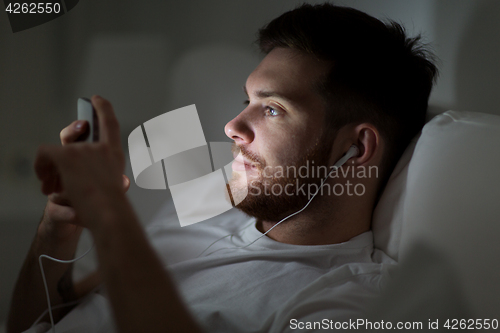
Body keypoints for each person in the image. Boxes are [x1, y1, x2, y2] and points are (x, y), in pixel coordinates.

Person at [7, 3, 438, 333]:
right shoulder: (201, 215)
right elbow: (40, 322)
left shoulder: (344, 301)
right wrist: (58, 225)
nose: (233, 127)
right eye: (245, 102)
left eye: (272, 109)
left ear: (358, 147)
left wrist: (108, 215)